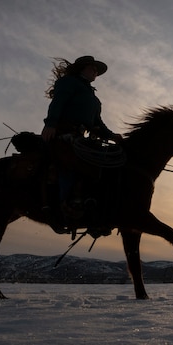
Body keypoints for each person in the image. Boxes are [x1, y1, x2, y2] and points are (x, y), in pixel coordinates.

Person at [41, 56, 122, 231]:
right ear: (81, 69)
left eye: (96, 70)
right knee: (69, 164)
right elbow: (58, 102)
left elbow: (96, 124)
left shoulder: (91, 96)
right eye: (92, 69)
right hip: (63, 132)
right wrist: (51, 124)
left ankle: (92, 206)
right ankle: (62, 207)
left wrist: (112, 136)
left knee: (100, 164)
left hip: (79, 136)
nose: (95, 73)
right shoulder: (69, 82)